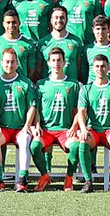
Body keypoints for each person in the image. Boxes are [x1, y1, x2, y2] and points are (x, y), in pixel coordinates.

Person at [30, 47, 83, 191]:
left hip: (65, 130)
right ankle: (45, 176)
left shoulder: (73, 84)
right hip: (46, 130)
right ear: (48, 63)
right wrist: (37, 125)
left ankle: (69, 178)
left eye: (59, 60)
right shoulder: (41, 84)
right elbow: (37, 109)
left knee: (76, 146)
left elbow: (79, 110)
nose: (56, 63)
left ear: (65, 62)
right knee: (34, 146)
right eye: (53, 60)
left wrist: (74, 127)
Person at [0, 48, 39, 192]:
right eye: (6, 62)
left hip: (20, 128)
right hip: (3, 128)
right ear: (1, 63)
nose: (9, 65)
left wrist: (27, 126)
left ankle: (22, 180)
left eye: (12, 62)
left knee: (25, 139)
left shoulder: (25, 83)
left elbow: (32, 106)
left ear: (17, 63)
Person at [75, 53, 110, 193]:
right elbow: (81, 111)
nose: (100, 69)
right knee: (83, 140)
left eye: (103, 66)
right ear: (93, 68)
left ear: (108, 68)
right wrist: (83, 128)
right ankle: (88, 181)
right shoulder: (86, 89)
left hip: (109, 130)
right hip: (94, 130)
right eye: (97, 66)